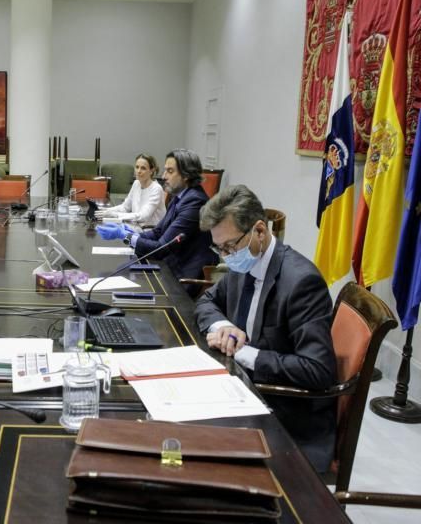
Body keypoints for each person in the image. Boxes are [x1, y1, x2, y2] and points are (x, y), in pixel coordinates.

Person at [194, 184, 337, 472]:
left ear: (260, 231)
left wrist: (246, 353)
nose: (225, 257)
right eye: (218, 248)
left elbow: (318, 370)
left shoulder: (300, 282)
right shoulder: (243, 265)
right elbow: (207, 300)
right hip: (241, 388)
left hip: (286, 413)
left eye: (230, 247)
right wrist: (223, 326)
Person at [96, 148, 217, 297]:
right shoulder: (180, 195)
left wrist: (125, 236)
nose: (164, 176)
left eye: (170, 171)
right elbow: (158, 232)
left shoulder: (195, 202)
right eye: (165, 170)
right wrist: (129, 233)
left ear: (186, 175)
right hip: (168, 266)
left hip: (182, 277)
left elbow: (162, 248)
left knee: (123, 288)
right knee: (118, 276)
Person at [96, 153, 166, 228]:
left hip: (151, 231)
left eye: (143, 168)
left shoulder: (156, 189)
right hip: (136, 226)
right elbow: (125, 207)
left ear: (151, 171)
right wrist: (106, 210)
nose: (139, 171)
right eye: (137, 167)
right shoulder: (136, 183)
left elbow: (143, 216)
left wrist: (115, 215)